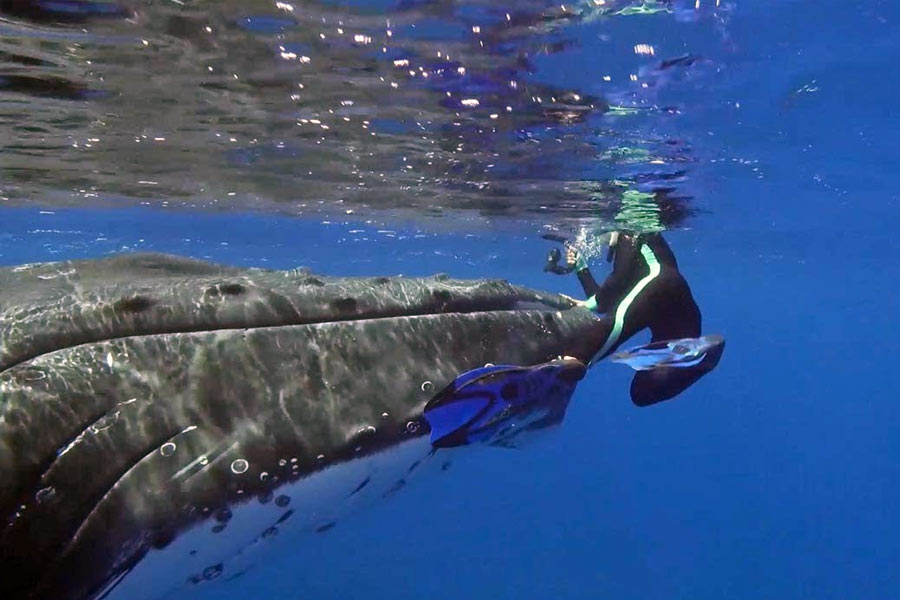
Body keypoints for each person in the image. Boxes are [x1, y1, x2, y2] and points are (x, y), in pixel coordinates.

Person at [563, 231, 724, 406]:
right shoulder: (635, 257)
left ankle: (575, 360)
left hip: (663, 288)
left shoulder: (628, 232)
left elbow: (616, 284)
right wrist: (581, 269)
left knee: (618, 325)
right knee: (640, 393)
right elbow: (607, 302)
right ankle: (701, 362)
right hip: (679, 315)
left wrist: (589, 307)